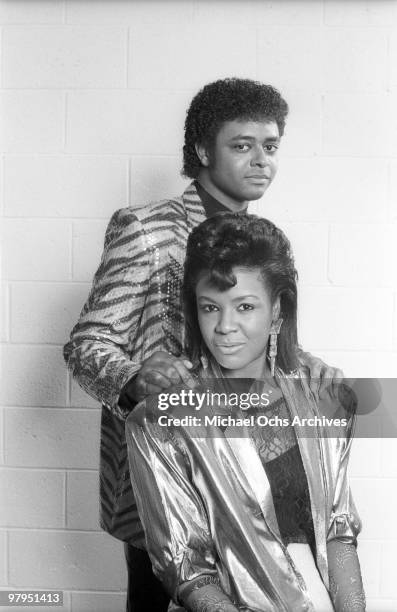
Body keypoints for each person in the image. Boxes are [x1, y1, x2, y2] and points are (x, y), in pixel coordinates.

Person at [63, 78, 339, 611]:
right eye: (242, 145)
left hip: (248, 465)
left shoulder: (265, 240)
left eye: (271, 146)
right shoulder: (145, 229)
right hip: (163, 465)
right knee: (158, 594)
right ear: (202, 151)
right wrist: (136, 378)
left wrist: (308, 367)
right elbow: (88, 343)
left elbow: (267, 346)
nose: (261, 161)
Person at [126, 213, 366, 612]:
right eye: (210, 308)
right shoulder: (160, 423)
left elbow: (338, 531)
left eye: (245, 306)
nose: (225, 326)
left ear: (277, 311)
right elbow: (186, 569)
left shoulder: (325, 400)